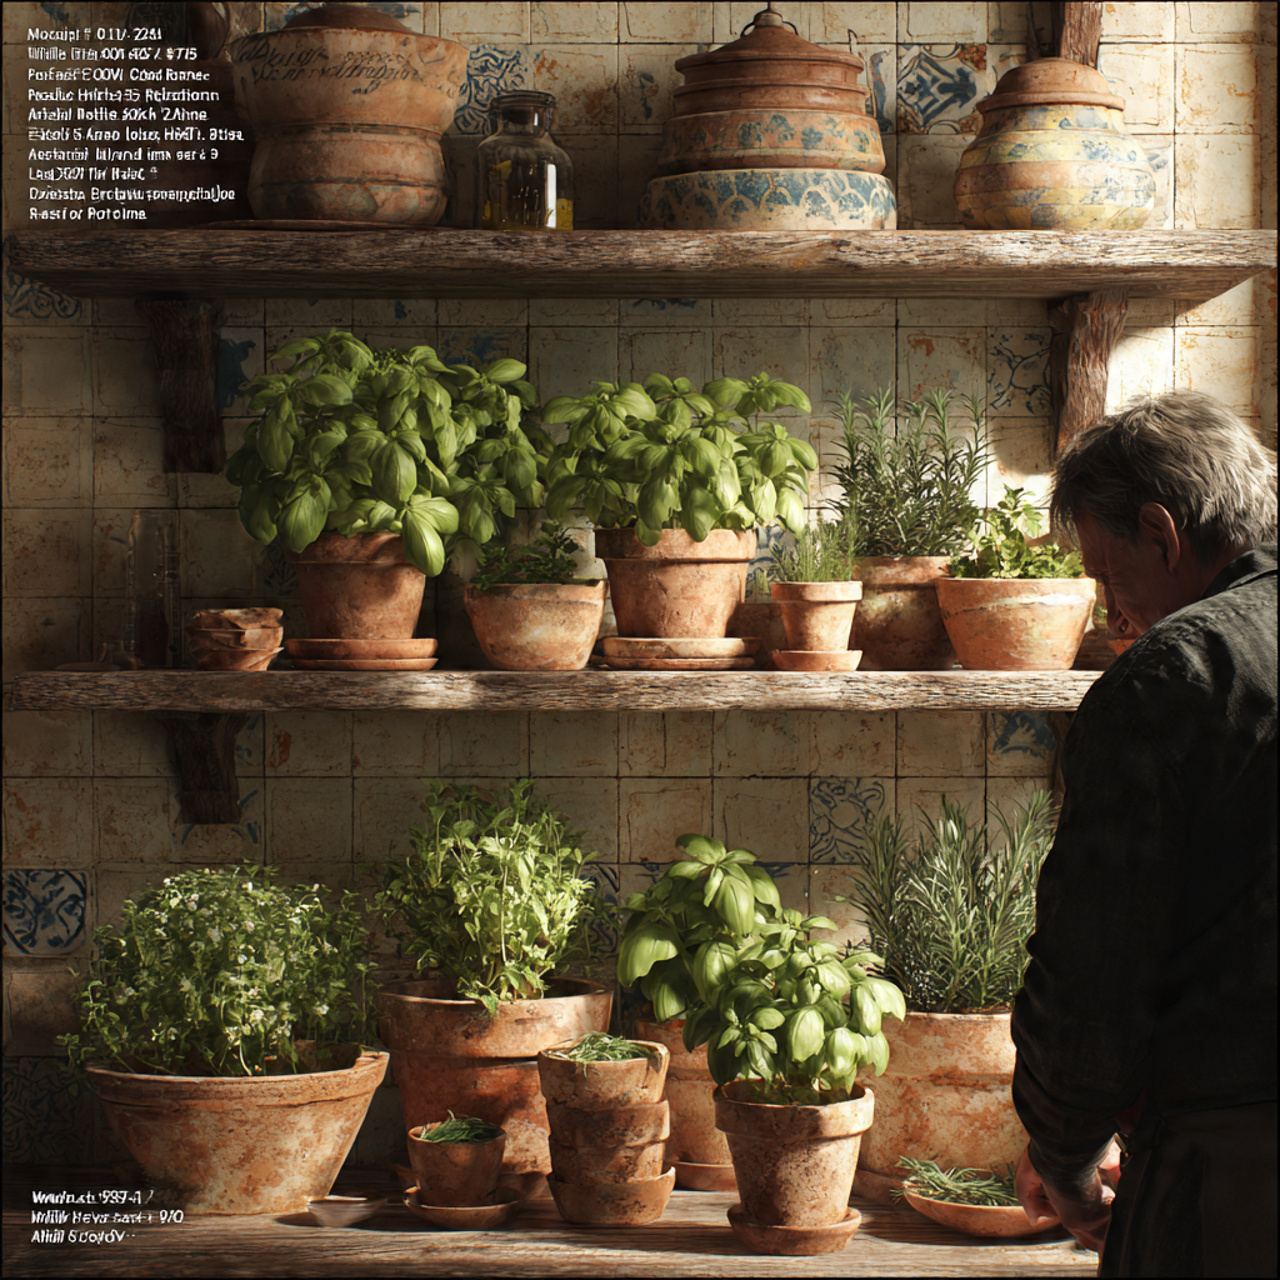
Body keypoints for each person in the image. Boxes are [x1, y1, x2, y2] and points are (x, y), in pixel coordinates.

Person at [1009, 390, 1277, 1276]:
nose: (1108, 607)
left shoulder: (1172, 676)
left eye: (1104, 571)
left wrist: (1065, 1150)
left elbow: (1093, 971)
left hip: (1231, 1185)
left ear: (1161, 534)